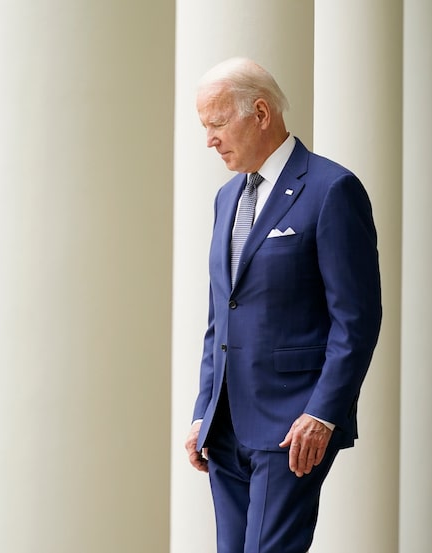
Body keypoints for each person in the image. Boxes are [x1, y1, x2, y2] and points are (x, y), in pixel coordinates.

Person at [184, 57, 382, 553]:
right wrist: (202, 411)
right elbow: (220, 316)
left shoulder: (332, 189)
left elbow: (355, 320)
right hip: (224, 427)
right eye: (204, 127)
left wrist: (322, 414)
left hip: (292, 426)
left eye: (216, 123)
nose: (209, 139)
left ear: (261, 112)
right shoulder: (226, 198)